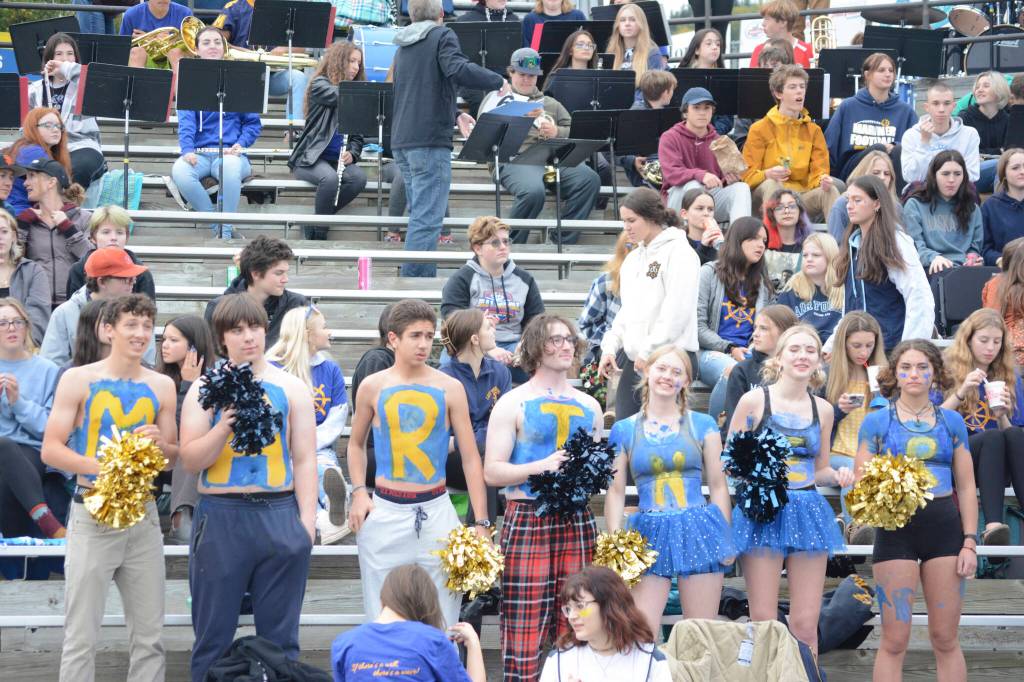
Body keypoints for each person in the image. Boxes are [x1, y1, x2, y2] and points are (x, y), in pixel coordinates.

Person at [179, 293, 316, 681]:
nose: (248, 337)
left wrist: (305, 525)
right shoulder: (203, 388)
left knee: (282, 641)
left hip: (278, 514)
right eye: (236, 330)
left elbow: (305, 458)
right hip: (222, 517)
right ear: (222, 338)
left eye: (254, 327)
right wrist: (223, 426)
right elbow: (191, 459)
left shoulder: (290, 386)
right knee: (212, 636)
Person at [41, 294, 178, 682]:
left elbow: (171, 458)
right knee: (81, 636)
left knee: (150, 637)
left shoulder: (163, 385)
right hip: (91, 512)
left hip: (143, 515)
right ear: (108, 329)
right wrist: (104, 468)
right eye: (130, 325)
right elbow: (51, 450)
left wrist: (161, 444)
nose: (140, 334)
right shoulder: (77, 378)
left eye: (146, 327)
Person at [347, 299, 491, 629]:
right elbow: (355, 445)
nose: (424, 344)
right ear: (393, 339)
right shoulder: (373, 385)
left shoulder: (450, 387)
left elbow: (470, 457)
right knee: (381, 615)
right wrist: (358, 492)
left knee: (444, 617)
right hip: (386, 509)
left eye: (429, 335)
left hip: (438, 509)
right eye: (415, 335)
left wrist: (481, 522)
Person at [484, 313, 603, 682]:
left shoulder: (590, 406)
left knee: (579, 620)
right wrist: (541, 466)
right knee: (524, 624)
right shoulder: (513, 402)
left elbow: (597, 474)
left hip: (576, 517)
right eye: (555, 340)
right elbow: (493, 471)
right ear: (536, 347)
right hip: (527, 514)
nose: (565, 346)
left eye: (569, 339)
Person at [854, 340, 977, 681]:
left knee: (945, 638)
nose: (914, 374)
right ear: (894, 373)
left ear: (935, 372)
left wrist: (969, 540)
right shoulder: (876, 422)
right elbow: (861, 482)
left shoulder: (952, 421)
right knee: (894, 639)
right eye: (906, 367)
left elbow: (966, 486)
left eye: (923, 367)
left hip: (945, 531)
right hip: (896, 532)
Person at [728, 325, 851, 657]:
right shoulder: (754, 401)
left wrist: (839, 475)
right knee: (764, 619)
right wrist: (759, 472)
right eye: (794, 349)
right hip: (764, 511)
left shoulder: (823, 409)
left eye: (810, 350)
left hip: (807, 510)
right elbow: (730, 461)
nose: (802, 356)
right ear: (779, 357)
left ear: (818, 360)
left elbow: (819, 468)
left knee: (806, 623)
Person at [605, 346, 735, 632]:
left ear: (686, 382)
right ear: (647, 371)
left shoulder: (704, 424)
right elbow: (615, 492)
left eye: (677, 372)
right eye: (661, 368)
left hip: (698, 526)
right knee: (642, 630)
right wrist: (616, 542)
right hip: (648, 529)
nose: (668, 376)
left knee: (701, 631)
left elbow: (717, 485)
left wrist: (725, 535)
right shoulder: (624, 429)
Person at [392, 0, 507, 277]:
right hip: (428, 141)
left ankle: (415, 280)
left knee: (421, 216)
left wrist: (455, 113)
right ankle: (415, 285)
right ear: (442, 14)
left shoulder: (403, 44)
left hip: (403, 140)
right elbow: (457, 68)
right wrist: (498, 80)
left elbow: (422, 88)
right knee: (427, 219)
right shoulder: (443, 34)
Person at [478, 48, 600, 246]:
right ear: (511, 73)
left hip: (550, 160)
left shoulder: (550, 103)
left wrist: (556, 132)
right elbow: (482, 136)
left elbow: (577, 130)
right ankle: (512, 246)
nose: (527, 80)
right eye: (522, 74)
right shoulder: (496, 99)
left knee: (589, 180)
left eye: (532, 76)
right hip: (513, 160)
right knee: (533, 191)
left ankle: (561, 241)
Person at [598, 188, 700, 420]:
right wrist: (610, 346)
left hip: (671, 358)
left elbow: (676, 313)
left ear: (651, 218)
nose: (627, 228)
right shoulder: (633, 258)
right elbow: (627, 311)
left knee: (666, 434)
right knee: (625, 430)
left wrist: (648, 352)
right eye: (624, 221)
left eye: (632, 220)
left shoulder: (681, 253)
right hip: (638, 361)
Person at [266, 305, 351, 545]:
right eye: (324, 327)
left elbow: (337, 417)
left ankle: (334, 506)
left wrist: (308, 444)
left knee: (321, 467)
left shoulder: (330, 369)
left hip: (319, 445)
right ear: (306, 334)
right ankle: (327, 520)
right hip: (280, 446)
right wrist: (292, 445)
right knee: (294, 471)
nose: (330, 332)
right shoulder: (271, 367)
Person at [171, 26, 263, 240]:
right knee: (180, 172)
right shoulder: (189, 82)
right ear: (196, 50)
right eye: (206, 42)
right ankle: (217, 225)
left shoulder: (240, 81)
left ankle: (226, 229)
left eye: (217, 42)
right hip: (201, 153)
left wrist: (241, 144)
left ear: (224, 47)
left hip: (231, 154)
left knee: (229, 167)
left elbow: (252, 123)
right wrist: (187, 150)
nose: (212, 46)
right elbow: (186, 123)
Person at [941, 309, 1024, 546]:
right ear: (968, 339)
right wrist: (962, 391)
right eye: (984, 340)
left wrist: (1001, 417)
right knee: (992, 438)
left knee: (1009, 433)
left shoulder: (1009, 376)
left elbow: (1014, 438)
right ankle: (993, 524)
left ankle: (994, 527)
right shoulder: (946, 371)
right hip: (955, 456)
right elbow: (933, 423)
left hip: (997, 463)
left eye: (997, 342)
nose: (990, 348)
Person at [332, 564, 486, 681]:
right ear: (425, 605)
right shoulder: (433, 642)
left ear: (382, 600)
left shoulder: (344, 644)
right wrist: (473, 643)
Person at [835, 175, 934, 351]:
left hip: (889, 349)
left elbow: (919, 297)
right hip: (857, 351)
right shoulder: (852, 245)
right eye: (847, 200)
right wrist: (832, 345)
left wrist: (910, 349)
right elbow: (850, 308)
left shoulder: (895, 242)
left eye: (857, 200)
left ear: (877, 204)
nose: (849, 206)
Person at [441, 216, 543, 380]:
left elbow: (537, 321)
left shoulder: (525, 279)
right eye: (495, 243)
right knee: (452, 360)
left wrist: (524, 345)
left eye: (506, 241)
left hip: (514, 345)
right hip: (474, 344)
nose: (503, 247)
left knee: (547, 360)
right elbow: (453, 323)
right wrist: (488, 349)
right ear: (478, 248)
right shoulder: (461, 279)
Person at [696, 217, 774, 423]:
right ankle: (715, 435)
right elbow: (698, 326)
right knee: (733, 371)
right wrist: (730, 348)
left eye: (764, 241)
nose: (761, 245)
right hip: (709, 352)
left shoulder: (762, 284)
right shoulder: (709, 273)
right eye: (755, 239)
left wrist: (750, 349)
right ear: (738, 240)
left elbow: (765, 328)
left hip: (750, 353)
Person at [289, 41, 369, 241]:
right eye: (351, 61)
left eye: (358, 63)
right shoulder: (320, 85)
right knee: (330, 179)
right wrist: (365, 93)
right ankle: (320, 234)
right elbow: (340, 95)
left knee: (359, 178)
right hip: (309, 158)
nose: (355, 67)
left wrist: (353, 152)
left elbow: (358, 136)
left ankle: (316, 222)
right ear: (338, 61)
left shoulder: (355, 94)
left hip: (336, 160)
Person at [439, 308, 512, 523]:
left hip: (491, 453)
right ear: (474, 339)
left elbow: (504, 424)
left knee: (486, 456)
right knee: (483, 457)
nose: (494, 331)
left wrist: (468, 440)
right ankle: (481, 534)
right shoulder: (444, 378)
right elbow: (440, 438)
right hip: (451, 461)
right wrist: (475, 440)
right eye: (488, 327)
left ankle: (479, 536)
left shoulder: (500, 372)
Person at [539, 566, 671, 681]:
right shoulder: (559, 659)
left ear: (609, 605)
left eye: (580, 606)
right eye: (568, 609)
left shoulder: (649, 660)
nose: (572, 616)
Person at [743, 65, 839, 221]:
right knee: (772, 184)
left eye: (802, 87)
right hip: (766, 194)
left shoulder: (814, 131)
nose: (799, 91)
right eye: (792, 87)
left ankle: (839, 244)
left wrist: (823, 180)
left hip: (801, 195)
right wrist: (767, 174)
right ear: (778, 93)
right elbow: (747, 176)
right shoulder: (759, 129)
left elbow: (819, 171)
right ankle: (772, 242)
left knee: (831, 190)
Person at [825, 311, 887, 544]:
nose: (863, 352)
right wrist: (838, 410)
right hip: (835, 454)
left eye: (869, 345)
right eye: (856, 345)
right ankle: (856, 526)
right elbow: (814, 423)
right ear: (844, 344)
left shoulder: (881, 374)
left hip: (871, 455)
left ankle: (846, 520)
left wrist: (885, 401)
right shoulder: (829, 374)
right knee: (852, 470)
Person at [0, 299, 61, 538]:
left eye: (17, 322)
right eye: (3, 323)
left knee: (6, 454)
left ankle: (7, 570)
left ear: (27, 327)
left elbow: (50, 429)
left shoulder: (48, 369)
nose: (11, 328)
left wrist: (18, 402)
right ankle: (46, 523)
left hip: (33, 452)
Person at [155, 314, 217, 545]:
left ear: (193, 346)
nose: (165, 346)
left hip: (196, 458)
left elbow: (188, 429)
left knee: (188, 447)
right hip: (161, 454)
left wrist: (191, 385)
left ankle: (181, 516)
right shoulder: (158, 378)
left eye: (173, 340)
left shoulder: (214, 380)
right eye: (164, 340)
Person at [41, 247, 154, 368]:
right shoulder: (64, 313)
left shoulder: (138, 314)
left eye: (134, 278)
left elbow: (148, 363)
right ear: (102, 282)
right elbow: (52, 365)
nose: (133, 283)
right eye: (126, 279)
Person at [659, 87, 751, 223]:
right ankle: (690, 239)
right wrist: (700, 175)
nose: (702, 113)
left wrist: (729, 180)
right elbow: (672, 173)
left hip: (710, 199)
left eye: (707, 108)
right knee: (694, 186)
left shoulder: (720, 141)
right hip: (678, 199)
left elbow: (721, 179)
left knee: (741, 188)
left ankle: (738, 239)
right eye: (696, 108)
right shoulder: (670, 137)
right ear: (685, 112)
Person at [824, 52, 916, 188]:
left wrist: (895, 145)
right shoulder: (848, 106)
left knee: (899, 149)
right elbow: (829, 147)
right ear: (867, 75)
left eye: (891, 70)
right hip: (853, 169)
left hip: (888, 171)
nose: (888, 74)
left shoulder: (905, 110)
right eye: (881, 70)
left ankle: (896, 203)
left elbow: (917, 146)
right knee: (878, 148)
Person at [28, 34, 105, 189]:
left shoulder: (85, 85)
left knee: (78, 169)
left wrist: (65, 68)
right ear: (49, 58)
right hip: (43, 147)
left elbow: (98, 82)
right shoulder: (34, 90)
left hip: (80, 145)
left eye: (70, 54)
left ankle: (67, 209)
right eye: (59, 54)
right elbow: (26, 127)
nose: (65, 58)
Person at [212, 0, 310, 122]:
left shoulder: (285, 7)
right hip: (238, 74)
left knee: (298, 78)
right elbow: (216, 41)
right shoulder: (233, 6)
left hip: (271, 75)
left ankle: (293, 132)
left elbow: (301, 47)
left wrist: (284, 49)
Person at [204, 236, 308, 348]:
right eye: (279, 273)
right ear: (256, 274)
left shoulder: (297, 304)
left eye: (286, 272)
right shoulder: (217, 308)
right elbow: (212, 356)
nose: (285, 279)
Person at [15, 157, 90, 308]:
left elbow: (91, 259)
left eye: (32, 176)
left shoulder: (84, 218)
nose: (25, 183)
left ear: (51, 182)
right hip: (36, 305)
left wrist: (69, 229)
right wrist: (20, 227)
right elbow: (12, 262)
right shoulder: (25, 221)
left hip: (75, 305)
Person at [904, 150, 984, 281]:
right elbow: (914, 245)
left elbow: (975, 247)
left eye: (957, 174)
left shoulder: (972, 208)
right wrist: (933, 257)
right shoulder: (915, 205)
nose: (952, 180)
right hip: (930, 268)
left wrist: (973, 258)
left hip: (964, 270)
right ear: (934, 176)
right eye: (945, 174)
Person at [721, 304, 799, 435]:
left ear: (785, 333)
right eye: (755, 328)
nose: (755, 334)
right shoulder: (742, 370)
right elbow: (734, 423)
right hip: (748, 445)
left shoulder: (798, 370)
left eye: (763, 328)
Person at [65, 205, 156, 302]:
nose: (113, 237)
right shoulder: (78, 270)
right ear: (93, 237)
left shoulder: (141, 273)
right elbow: (73, 310)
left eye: (120, 232)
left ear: (127, 237)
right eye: (106, 232)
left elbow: (147, 313)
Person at [901, 81, 981, 187]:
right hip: (924, 192)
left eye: (947, 103)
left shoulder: (969, 134)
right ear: (927, 107)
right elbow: (912, 178)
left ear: (954, 106)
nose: (941, 109)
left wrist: (942, 179)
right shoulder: (911, 135)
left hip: (956, 191)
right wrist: (924, 143)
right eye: (935, 103)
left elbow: (973, 175)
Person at [4, 107, 75, 216]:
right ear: (33, 128)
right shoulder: (34, 152)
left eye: (58, 126)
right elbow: (53, 195)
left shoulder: (26, 147)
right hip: (21, 214)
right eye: (48, 125)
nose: (55, 130)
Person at [776, 232, 844, 343]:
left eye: (816, 255)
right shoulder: (792, 289)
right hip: (801, 350)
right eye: (805, 255)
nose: (809, 259)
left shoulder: (846, 288)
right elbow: (779, 328)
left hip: (836, 350)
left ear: (830, 257)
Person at [578, 230, 632, 365]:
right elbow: (586, 324)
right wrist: (610, 336)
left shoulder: (657, 282)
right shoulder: (606, 282)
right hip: (611, 349)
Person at [827, 149, 902, 243]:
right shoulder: (842, 205)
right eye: (876, 173)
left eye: (887, 174)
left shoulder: (896, 207)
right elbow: (835, 249)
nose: (882, 178)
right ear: (863, 174)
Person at [617, 71, 677, 188]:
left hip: (661, 166)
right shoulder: (634, 115)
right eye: (672, 90)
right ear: (666, 93)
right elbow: (613, 149)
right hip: (644, 172)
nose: (673, 94)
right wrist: (632, 160)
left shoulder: (666, 113)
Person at [0, 211, 50, 345]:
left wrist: (17, 347)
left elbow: (38, 319)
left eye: (4, 231)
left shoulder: (33, 272)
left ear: (14, 237)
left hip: (24, 350)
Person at [961, 71, 1011, 194]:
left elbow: (1009, 152)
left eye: (986, 86)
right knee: (1000, 166)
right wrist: (998, 152)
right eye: (977, 87)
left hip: (1000, 174)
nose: (979, 90)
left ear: (999, 90)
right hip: (971, 175)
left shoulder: (1008, 119)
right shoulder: (965, 118)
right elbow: (966, 153)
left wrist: (985, 154)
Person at [679, 28, 733, 136]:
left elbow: (727, 119)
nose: (715, 47)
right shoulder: (681, 76)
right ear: (697, 50)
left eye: (718, 45)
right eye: (708, 44)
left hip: (714, 138)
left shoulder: (726, 79)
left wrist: (710, 134)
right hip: (684, 135)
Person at [606, 2, 664, 102]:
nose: (627, 23)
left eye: (632, 20)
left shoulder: (652, 53)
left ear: (641, 24)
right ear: (617, 26)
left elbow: (654, 91)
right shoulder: (610, 53)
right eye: (623, 20)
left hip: (640, 111)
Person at [121, 0, 192, 76]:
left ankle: (181, 87)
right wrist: (153, 39)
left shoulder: (185, 13)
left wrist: (168, 41)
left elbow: (192, 52)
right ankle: (137, 86)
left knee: (176, 53)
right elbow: (121, 50)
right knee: (137, 52)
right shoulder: (131, 14)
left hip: (173, 57)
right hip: (143, 58)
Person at [761, 187, 812, 290]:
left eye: (792, 206)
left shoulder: (811, 246)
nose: (787, 211)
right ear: (772, 214)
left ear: (800, 212)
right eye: (779, 207)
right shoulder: (761, 246)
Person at [982, 147, 1024, 265]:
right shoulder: (990, 207)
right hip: (1005, 271)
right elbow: (985, 249)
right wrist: (1001, 260)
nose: (1022, 171)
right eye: (1015, 168)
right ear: (1003, 173)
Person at [749, 0, 813, 68]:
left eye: (767, 19)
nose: (763, 24)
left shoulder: (807, 50)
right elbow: (752, 78)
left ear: (783, 22)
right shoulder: (759, 50)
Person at [679, 188, 723, 265]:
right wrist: (703, 247)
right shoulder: (678, 241)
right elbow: (685, 270)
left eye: (710, 209)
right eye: (700, 208)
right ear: (684, 214)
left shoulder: (721, 241)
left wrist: (723, 247)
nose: (706, 213)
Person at [521, 0, 586, 49]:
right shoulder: (531, 19)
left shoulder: (577, 16)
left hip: (571, 65)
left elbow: (584, 46)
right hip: (540, 65)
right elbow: (529, 54)